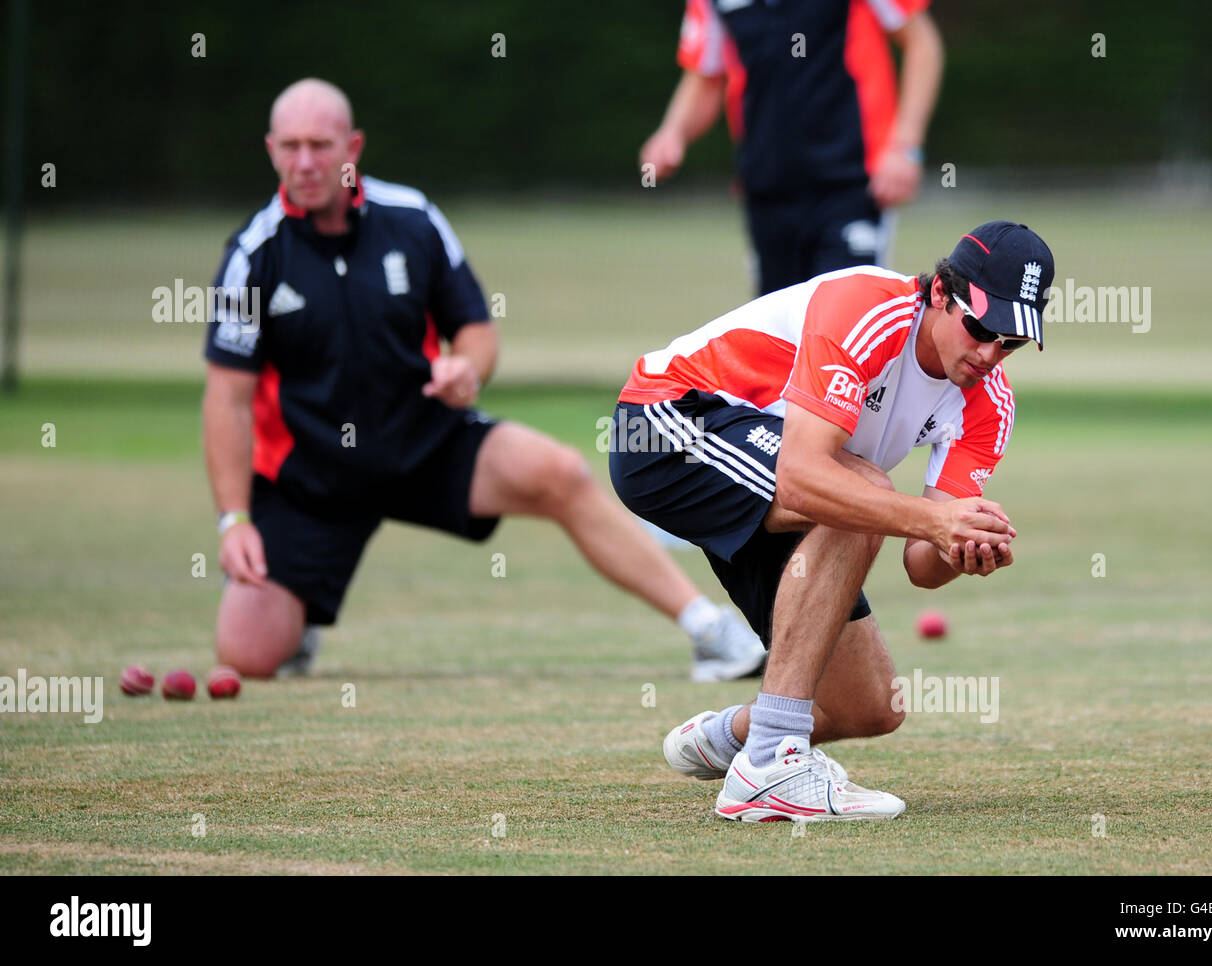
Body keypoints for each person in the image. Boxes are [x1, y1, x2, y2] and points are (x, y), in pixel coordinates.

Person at [202, 78, 766, 683]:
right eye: (290, 146)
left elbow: (476, 332)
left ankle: (709, 630)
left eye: (320, 143)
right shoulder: (254, 255)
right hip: (310, 476)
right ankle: (300, 616)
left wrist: (466, 369)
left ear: (353, 146)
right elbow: (228, 398)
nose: (306, 161)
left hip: (423, 440)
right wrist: (234, 519)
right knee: (248, 656)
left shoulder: (412, 220)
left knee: (560, 473)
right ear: (271, 151)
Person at [609, 221, 1054, 821]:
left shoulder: (989, 405)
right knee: (861, 490)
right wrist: (933, 520)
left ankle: (731, 737)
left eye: (1012, 342)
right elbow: (802, 478)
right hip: (665, 421)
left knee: (871, 706)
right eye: (980, 329)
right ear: (942, 292)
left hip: (782, 483)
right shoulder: (866, 308)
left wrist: (963, 549)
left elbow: (922, 565)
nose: (989, 354)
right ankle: (770, 764)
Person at [640, 0, 943, 295]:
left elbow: (922, 45)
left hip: (852, 181)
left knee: (844, 315)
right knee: (778, 335)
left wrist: (905, 147)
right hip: (767, 186)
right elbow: (706, 75)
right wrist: (672, 132)